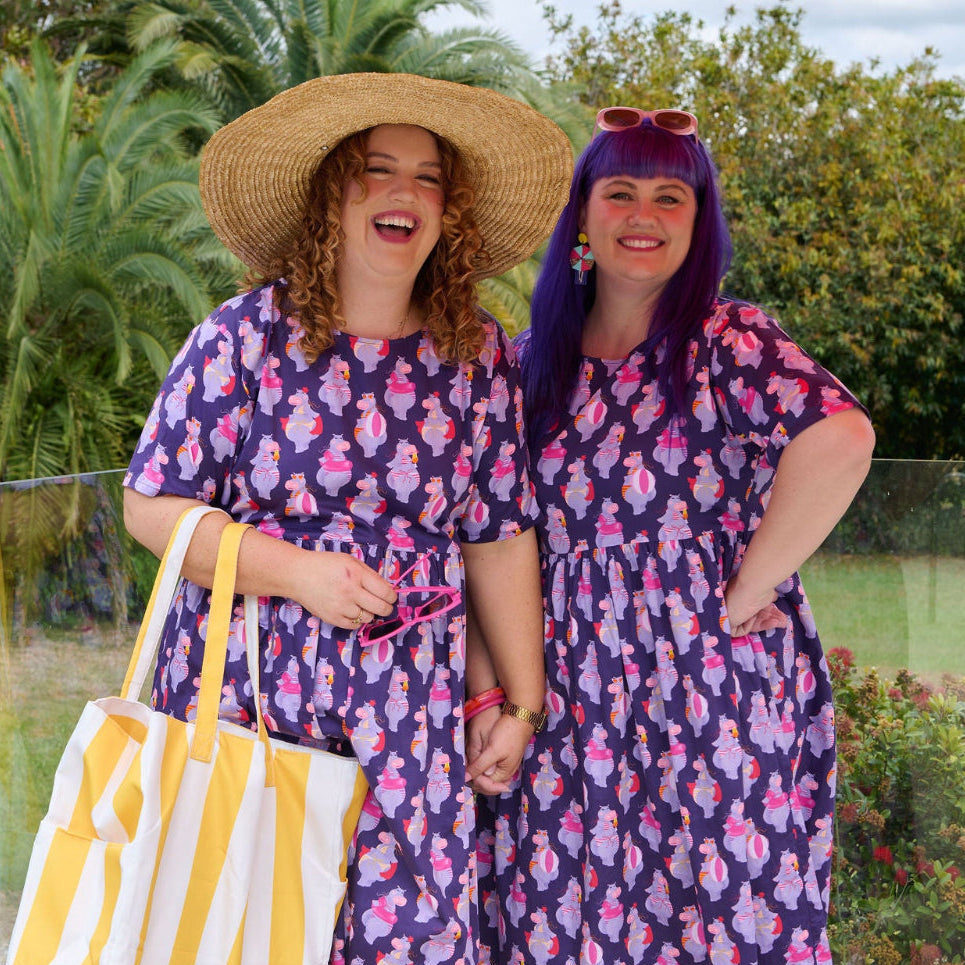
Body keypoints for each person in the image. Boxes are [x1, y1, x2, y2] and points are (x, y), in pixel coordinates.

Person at [123, 72, 572, 964]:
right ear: (333, 192)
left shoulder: (474, 351)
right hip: (250, 702)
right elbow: (150, 507)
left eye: (429, 177)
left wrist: (518, 701)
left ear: (451, 211)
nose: (404, 192)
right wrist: (299, 573)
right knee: (241, 934)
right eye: (376, 168)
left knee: (409, 935)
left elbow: (497, 531)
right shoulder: (244, 334)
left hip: (409, 718)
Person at [473, 107, 876, 964]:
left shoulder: (724, 343)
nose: (643, 216)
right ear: (581, 214)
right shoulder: (524, 364)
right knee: (564, 913)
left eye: (670, 197)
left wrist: (748, 586)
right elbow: (484, 536)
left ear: (699, 222)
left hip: (703, 693)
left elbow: (840, 439)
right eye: (619, 193)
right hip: (561, 695)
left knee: (716, 911)